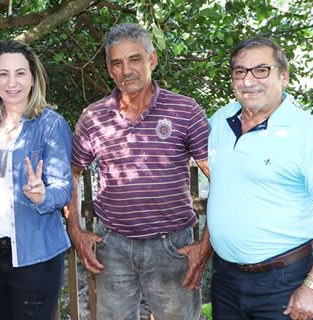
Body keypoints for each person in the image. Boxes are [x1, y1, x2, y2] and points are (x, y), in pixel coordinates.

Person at [65, 23, 211, 319]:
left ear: (152, 60)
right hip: (113, 247)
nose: (126, 70)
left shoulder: (185, 110)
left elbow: (220, 179)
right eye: (117, 63)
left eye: (135, 59)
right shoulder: (93, 117)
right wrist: (76, 231)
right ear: (109, 69)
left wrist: (205, 245)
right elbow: (73, 173)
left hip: (172, 247)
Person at [207, 36, 313, 319]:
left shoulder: (307, 133)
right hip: (225, 279)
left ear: (283, 76)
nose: (248, 81)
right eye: (240, 71)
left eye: (261, 70)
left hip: (284, 281)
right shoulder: (220, 121)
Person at [0, 40, 72, 320]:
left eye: (20, 73)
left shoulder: (50, 124)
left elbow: (63, 187)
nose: (11, 82)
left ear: (33, 79)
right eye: (3, 73)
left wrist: (43, 196)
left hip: (34, 254)